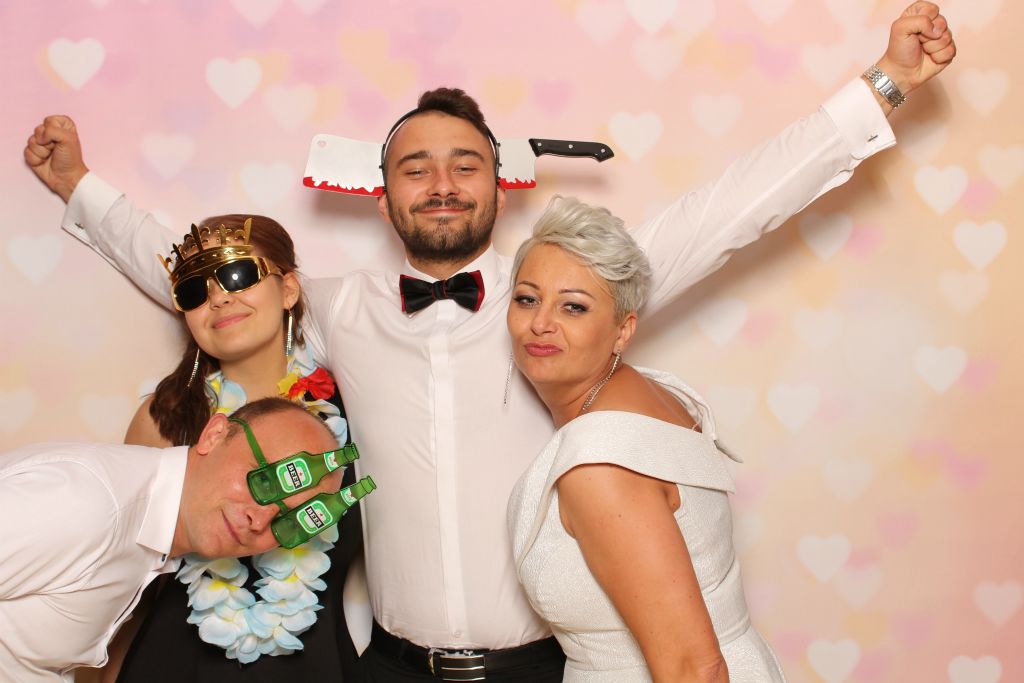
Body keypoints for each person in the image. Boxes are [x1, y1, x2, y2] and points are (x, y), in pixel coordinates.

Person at [23, 5, 955, 680]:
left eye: (464, 163)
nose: (440, 183)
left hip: (543, 669)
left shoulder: (565, 296)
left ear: (498, 183)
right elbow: (207, 275)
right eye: (414, 167)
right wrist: (80, 190)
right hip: (387, 667)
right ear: (382, 196)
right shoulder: (338, 309)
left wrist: (885, 84)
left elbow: (725, 212)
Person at [507, 196, 782, 682]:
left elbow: (693, 668)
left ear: (622, 330)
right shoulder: (649, 392)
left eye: (573, 306)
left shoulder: (601, 465)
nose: (541, 323)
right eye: (528, 298)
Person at [82, 216, 365, 683]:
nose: (218, 298)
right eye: (194, 290)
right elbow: (122, 584)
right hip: (173, 668)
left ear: (288, 290)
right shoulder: (164, 419)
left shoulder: (354, 411)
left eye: (238, 274)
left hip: (318, 668)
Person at [0, 398, 345, 683]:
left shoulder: (147, 534)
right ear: (214, 435)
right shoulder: (89, 506)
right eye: (264, 480)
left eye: (288, 519)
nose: (260, 519)